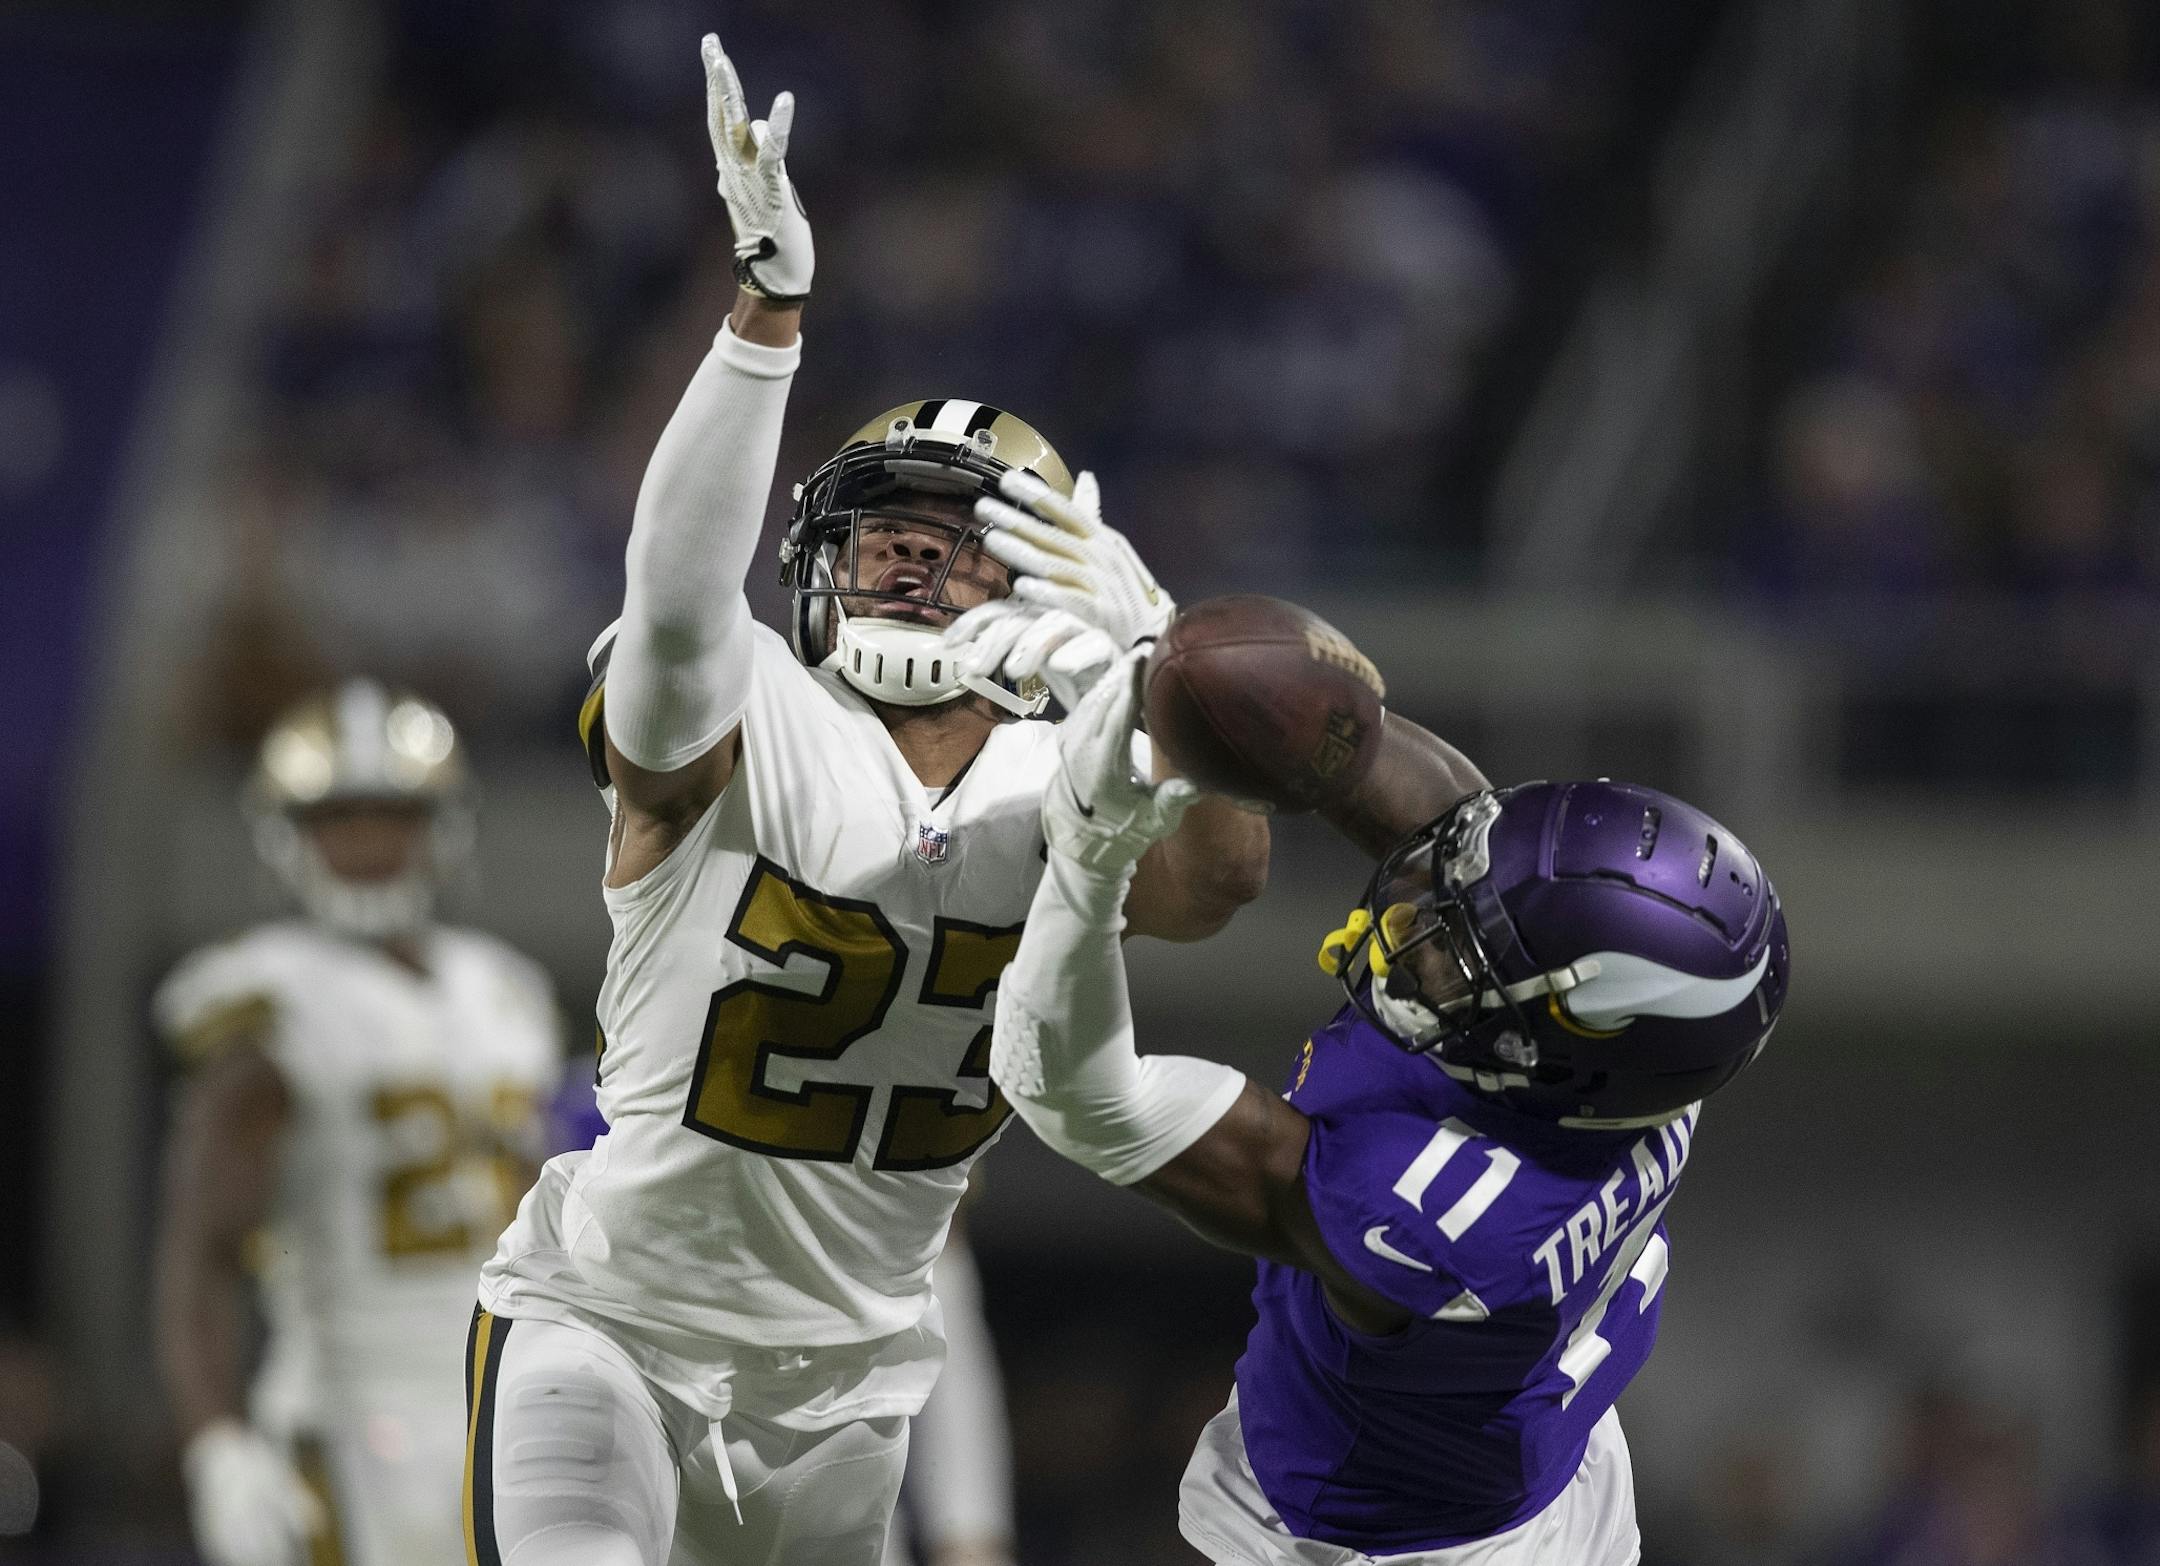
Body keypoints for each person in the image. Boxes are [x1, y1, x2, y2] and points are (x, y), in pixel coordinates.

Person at [465, 32, 1268, 1566]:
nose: (910, 556)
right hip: (610, 1328)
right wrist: (763, 321)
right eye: (884, 528)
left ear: (1043, 572)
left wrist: (1167, 667)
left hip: (851, 1386)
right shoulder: (751, 703)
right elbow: (677, 606)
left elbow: (1219, 877)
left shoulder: (1071, 767)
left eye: (960, 538)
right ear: (819, 557)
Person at [978, 652, 1790, 1566]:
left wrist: (1091, 857)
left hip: (1385, 1545)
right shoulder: (1642, 1070)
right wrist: (1195, 672)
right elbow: (1459, 822)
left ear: (1560, 1053)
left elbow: (1074, 1090)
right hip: (1553, 1467)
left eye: (1462, 951)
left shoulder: (1437, 1214)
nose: (1412, 929)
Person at [153, 681, 562, 1566]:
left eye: (392, 816)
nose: (368, 845)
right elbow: (201, 1257)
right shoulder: (267, 1003)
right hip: (346, 1415)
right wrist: (216, 1445)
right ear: (288, 835)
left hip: (510, 1398)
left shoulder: (508, 991)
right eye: (338, 818)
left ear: (443, 827)